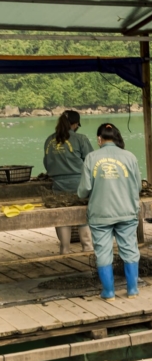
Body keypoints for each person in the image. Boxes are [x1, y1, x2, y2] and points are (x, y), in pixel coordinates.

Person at [77, 123, 142, 301]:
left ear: (99, 139)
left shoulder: (91, 158)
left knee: (103, 252)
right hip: (127, 212)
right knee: (130, 250)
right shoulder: (130, 157)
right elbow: (138, 187)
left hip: (100, 214)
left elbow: (83, 191)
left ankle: (109, 292)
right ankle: (133, 290)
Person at [44, 109, 93, 254]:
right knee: (83, 216)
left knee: (62, 217)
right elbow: (91, 161)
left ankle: (64, 249)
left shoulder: (49, 140)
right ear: (76, 124)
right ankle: (87, 247)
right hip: (79, 183)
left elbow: (47, 164)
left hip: (58, 185)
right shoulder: (80, 139)